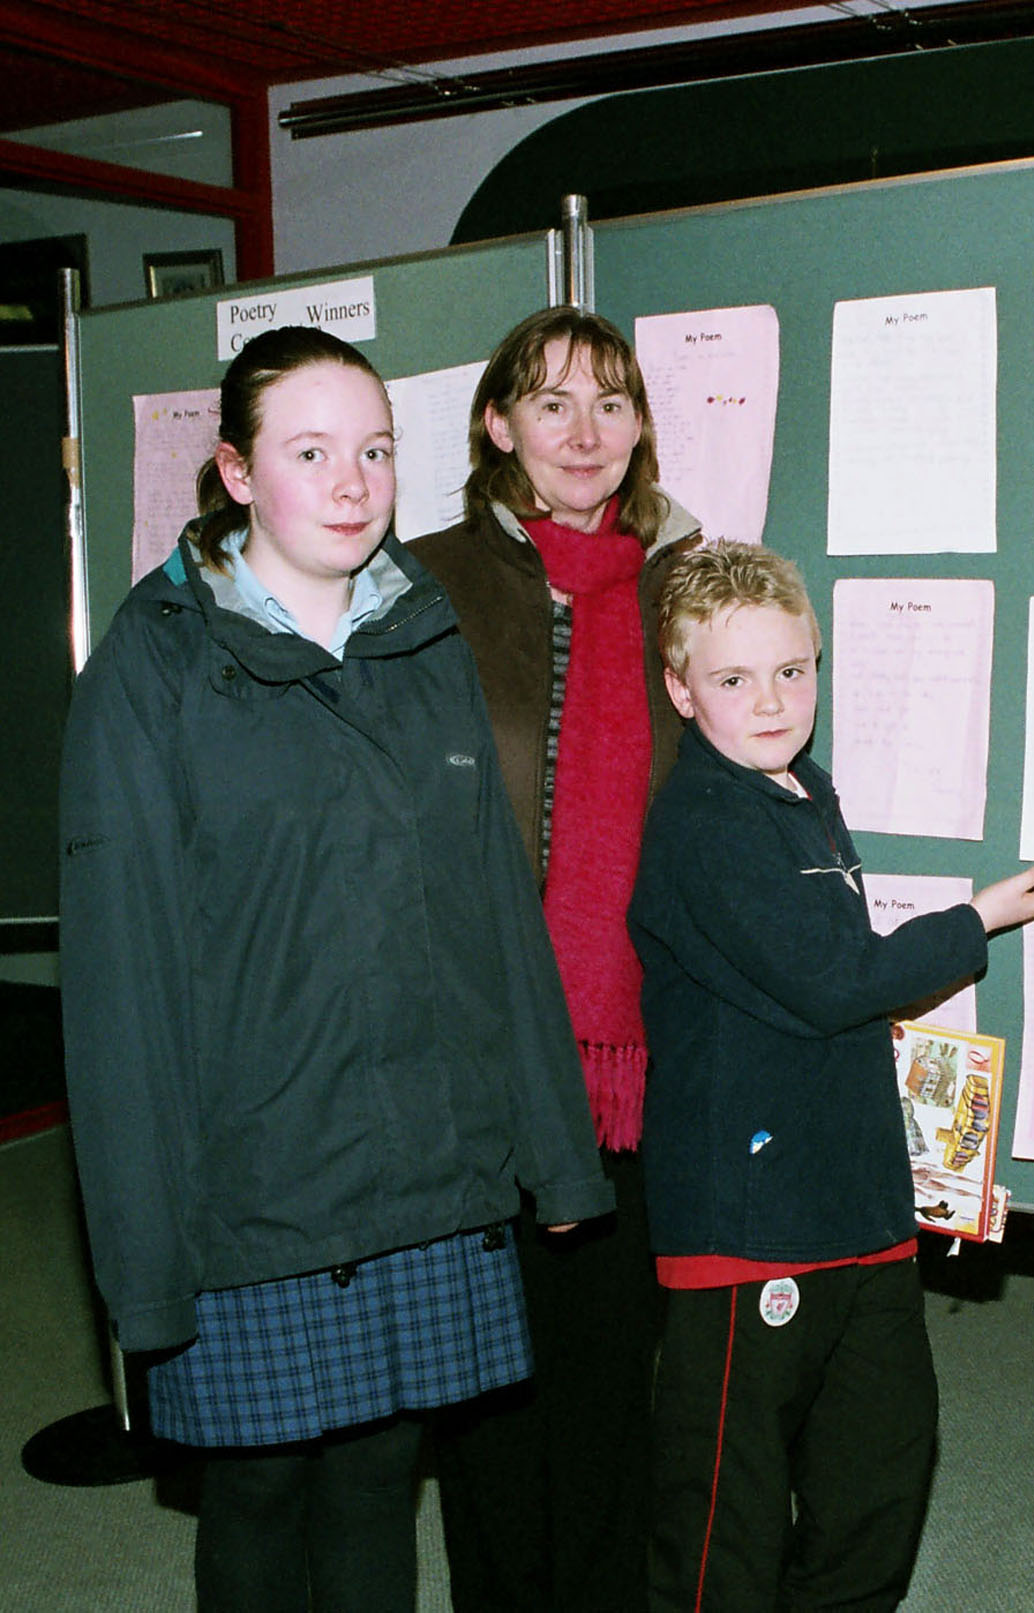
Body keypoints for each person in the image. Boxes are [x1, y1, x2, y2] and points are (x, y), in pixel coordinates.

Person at [57, 326, 613, 1613]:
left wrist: (556, 1148)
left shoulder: (423, 638)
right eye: (313, 452)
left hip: (425, 1164)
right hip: (251, 1181)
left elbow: (497, 923)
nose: (355, 481)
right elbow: (120, 996)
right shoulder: (150, 670)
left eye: (373, 449)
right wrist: (139, 1265)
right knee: (257, 1491)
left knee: (377, 1478)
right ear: (239, 473)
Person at [627, 541, 1034, 1611]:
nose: (772, 698)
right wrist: (977, 918)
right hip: (749, 1229)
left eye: (792, 669)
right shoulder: (704, 823)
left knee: (877, 1477)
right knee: (724, 1525)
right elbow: (836, 984)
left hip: (855, 1206)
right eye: (734, 679)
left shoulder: (803, 790)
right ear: (681, 689)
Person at [409, 305, 700, 1612]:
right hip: (478, 1050)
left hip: (645, 1055)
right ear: (497, 422)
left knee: (611, 1382)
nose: (586, 434)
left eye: (614, 404)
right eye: (553, 403)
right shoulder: (423, 584)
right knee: (488, 1392)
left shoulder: (688, 587)